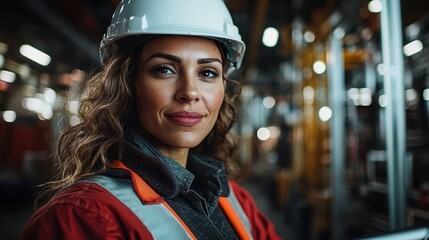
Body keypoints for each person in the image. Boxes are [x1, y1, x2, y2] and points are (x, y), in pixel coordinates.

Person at [20, 0, 282, 239]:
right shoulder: (80, 218)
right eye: (164, 69)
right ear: (127, 84)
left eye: (208, 73)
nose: (190, 92)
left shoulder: (236, 200)